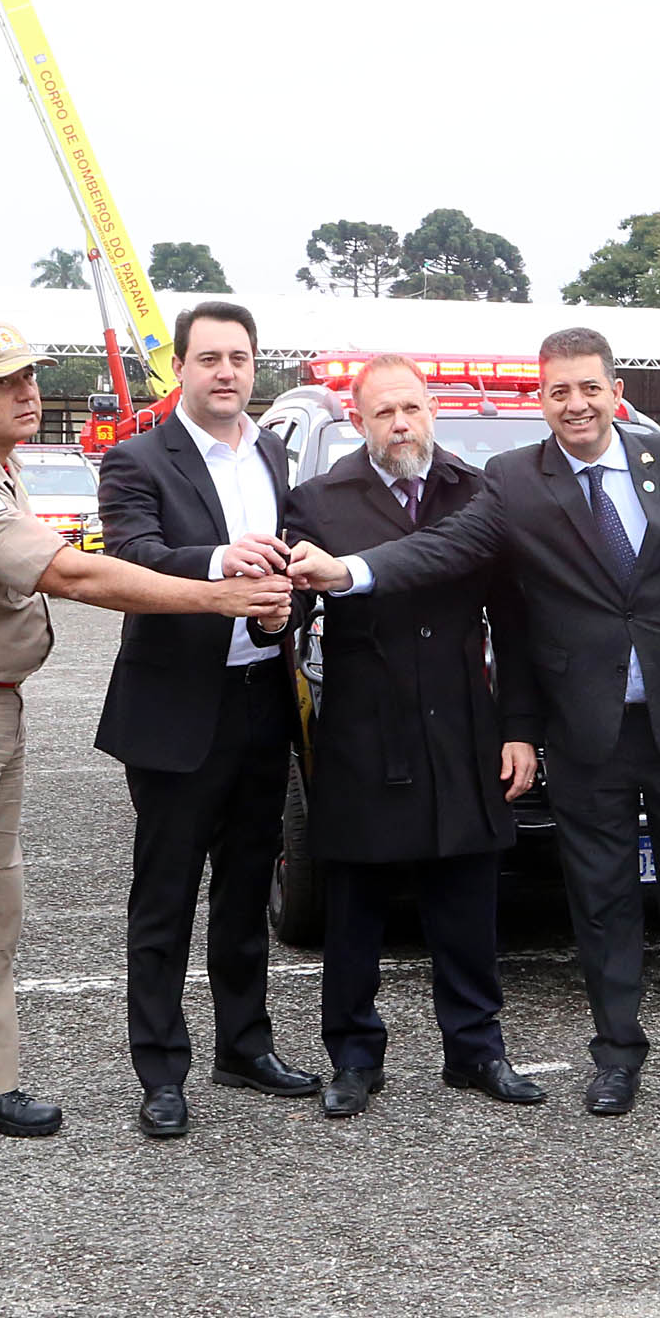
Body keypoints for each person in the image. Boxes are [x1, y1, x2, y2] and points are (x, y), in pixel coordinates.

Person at [289, 327, 660, 1118]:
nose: (576, 405)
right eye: (559, 392)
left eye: (590, 388)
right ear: (542, 400)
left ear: (617, 393)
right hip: (585, 728)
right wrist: (352, 571)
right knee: (602, 902)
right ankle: (617, 1056)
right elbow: (449, 546)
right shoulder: (514, 480)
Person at [0, 318, 290, 1173]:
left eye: (31, 377)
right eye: (5, 382)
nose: (28, 393)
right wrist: (221, 595)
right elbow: (74, 573)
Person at [277, 355, 541, 1117]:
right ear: (358, 421)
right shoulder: (317, 501)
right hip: (366, 724)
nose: (401, 424)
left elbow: (514, 624)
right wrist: (265, 611)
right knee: (355, 905)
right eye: (384, 412)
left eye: (412, 409)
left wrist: (520, 729)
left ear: (433, 412)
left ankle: (477, 1049)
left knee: (467, 897)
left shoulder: (477, 492)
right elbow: (288, 619)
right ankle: (354, 1057)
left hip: (462, 721)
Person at [94, 301, 321, 1138]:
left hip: (261, 696)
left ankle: (245, 1045)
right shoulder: (137, 459)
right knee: (165, 897)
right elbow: (133, 557)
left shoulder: (272, 452)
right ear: (180, 369)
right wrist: (223, 562)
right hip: (175, 708)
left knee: (245, 887)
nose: (227, 372)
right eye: (210, 358)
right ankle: (160, 1070)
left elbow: (290, 567)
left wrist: (284, 603)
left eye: (240, 358)